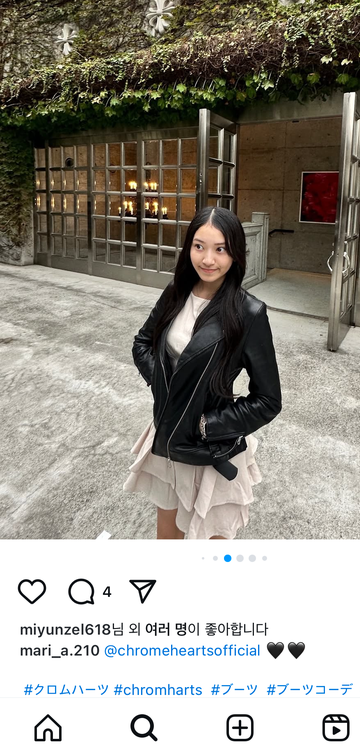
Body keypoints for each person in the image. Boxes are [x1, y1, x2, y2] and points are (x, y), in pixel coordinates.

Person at [124, 206, 282, 540]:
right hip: (166, 438)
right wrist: (164, 387)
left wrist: (206, 424)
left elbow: (268, 400)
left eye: (220, 249)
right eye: (199, 246)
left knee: (210, 546)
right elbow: (142, 343)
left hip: (209, 449)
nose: (208, 259)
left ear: (235, 254)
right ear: (189, 248)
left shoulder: (249, 312)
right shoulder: (177, 291)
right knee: (167, 540)